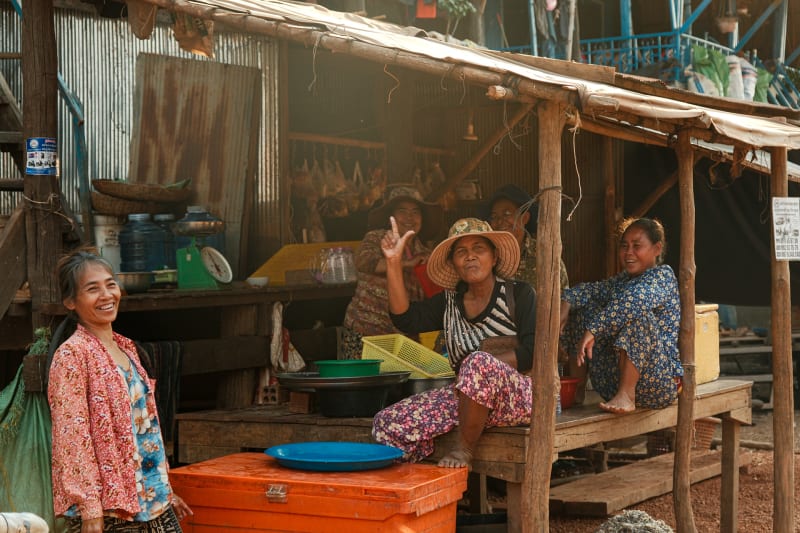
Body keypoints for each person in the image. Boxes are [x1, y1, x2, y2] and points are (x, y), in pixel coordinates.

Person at [48, 247, 193, 532]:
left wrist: (164, 488)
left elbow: (143, 431)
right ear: (70, 301)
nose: (106, 295)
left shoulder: (127, 349)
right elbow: (72, 439)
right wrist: (89, 509)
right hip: (109, 512)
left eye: (110, 285)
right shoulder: (72, 355)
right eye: (92, 289)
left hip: (151, 503)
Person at [372, 217, 536, 468]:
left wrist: (477, 372)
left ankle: (464, 450)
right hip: (466, 400)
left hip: (520, 397)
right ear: (454, 264)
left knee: (477, 362)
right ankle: (420, 490)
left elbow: (535, 351)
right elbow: (405, 319)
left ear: (494, 257)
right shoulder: (448, 303)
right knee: (387, 423)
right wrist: (393, 262)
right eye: (461, 252)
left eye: (478, 249)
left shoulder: (519, 294)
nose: (470, 256)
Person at [559, 217, 683, 414]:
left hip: (658, 384)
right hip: (611, 383)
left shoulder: (663, 276)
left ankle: (627, 395)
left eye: (637, 246)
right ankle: (577, 390)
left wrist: (595, 329)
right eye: (624, 246)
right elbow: (591, 290)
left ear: (657, 249)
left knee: (637, 316)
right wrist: (567, 301)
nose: (629, 253)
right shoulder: (622, 280)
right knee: (582, 309)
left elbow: (634, 301)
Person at [341, 185, 443, 359]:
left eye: (415, 212)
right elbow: (364, 261)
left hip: (403, 337)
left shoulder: (426, 254)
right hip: (365, 332)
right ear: (391, 217)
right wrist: (403, 263)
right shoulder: (377, 238)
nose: (409, 217)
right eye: (402, 211)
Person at [483, 184, 569, 290]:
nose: (500, 221)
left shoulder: (544, 255)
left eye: (507, 213)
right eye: (494, 217)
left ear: (525, 218)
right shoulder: (486, 255)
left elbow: (563, 298)